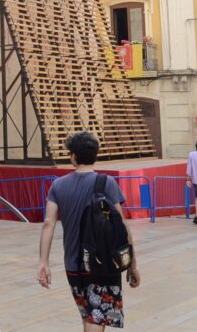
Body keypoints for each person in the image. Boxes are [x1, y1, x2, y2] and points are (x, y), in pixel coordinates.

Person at [37, 132, 140, 330]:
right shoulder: (106, 182)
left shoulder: (58, 185)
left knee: (88, 314)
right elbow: (122, 226)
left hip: (74, 263)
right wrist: (132, 264)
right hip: (103, 262)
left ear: (73, 156)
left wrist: (43, 262)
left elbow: (48, 223)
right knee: (97, 317)